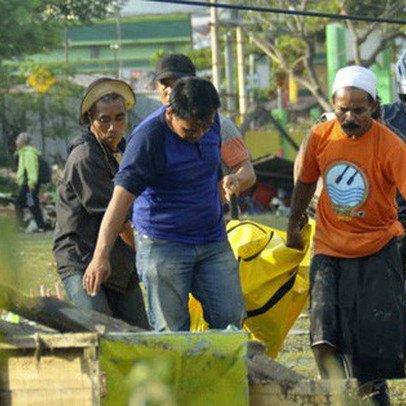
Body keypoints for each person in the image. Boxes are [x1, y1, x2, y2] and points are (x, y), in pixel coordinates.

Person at [83, 77, 246, 332]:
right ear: (170, 112)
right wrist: (100, 257)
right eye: (190, 131)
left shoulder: (210, 124)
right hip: (163, 245)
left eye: (205, 126)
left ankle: (225, 372)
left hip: (212, 241)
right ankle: (177, 373)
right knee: (172, 331)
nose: (200, 134)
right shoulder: (149, 139)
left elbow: (209, 170)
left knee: (231, 317)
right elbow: (120, 200)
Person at [287, 66, 406, 405]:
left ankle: (373, 395)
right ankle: (338, 397)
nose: (349, 116)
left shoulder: (391, 145)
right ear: (333, 104)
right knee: (323, 338)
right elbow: (306, 181)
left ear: (374, 107)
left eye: (359, 109)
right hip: (329, 249)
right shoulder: (321, 136)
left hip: (377, 249)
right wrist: (293, 224)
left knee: (369, 348)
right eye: (342, 108)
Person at [53, 77, 150, 329]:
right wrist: (148, 255)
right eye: (103, 119)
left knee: (143, 338)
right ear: (90, 120)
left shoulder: (124, 150)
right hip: (83, 259)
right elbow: (118, 219)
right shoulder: (84, 156)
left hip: (119, 263)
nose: (112, 127)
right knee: (103, 335)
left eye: (119, 118)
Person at [154, 54, 256, 201]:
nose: (170, 91)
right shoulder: (151, 130)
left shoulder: (219, 125)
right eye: (166, 85)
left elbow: (247, 172)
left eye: (177, 84)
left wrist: (236, 180)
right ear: (156, 86)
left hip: (214, 217)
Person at [15, 132, 45, 232]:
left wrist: (32, 182)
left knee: (18, 202)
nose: (16, 142)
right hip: (28, 184)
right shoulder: (23, 152)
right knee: (32, 204)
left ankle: (20, 225)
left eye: (18, 140)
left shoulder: (28, 153)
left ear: (23, 142)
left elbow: (31, 169)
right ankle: (41, 226)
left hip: (28, 184)